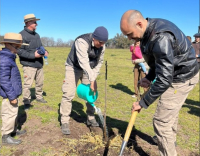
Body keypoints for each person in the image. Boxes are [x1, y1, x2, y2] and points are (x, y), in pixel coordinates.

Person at [120, 10, 199, 156]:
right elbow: (159, 62)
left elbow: (164, 79)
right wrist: (149, 77)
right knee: (168, 115)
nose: (130, 38)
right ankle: (170, 142)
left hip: (182, 77)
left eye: (130, 34)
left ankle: (168, 149)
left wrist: (142, 102)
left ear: (139, 24)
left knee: (161, 122)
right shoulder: (147, 32)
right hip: (174, 73)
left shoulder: (160, 37)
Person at [60, 26, 108, 135]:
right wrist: (92, 80)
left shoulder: (102, 46)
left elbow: (99, 63)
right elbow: (83, 62)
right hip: (73, 66)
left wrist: (93, 78)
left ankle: (90, 117)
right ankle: (65, 121)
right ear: (94, 38)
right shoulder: (81, 41)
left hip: (90, 69)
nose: (101, 45)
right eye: (100, 42)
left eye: (104, 43)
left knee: (91, 93)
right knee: (69, 93)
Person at [18, 14, 49, 110]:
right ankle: (26, 101)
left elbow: (41, 46)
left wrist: (45, 51)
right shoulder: (21, 35)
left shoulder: (37, 35)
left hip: (39, 64)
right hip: (28, 65)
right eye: (34, 22)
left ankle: (39, 96)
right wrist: (33, 55)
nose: (36, 24)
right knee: (28, 84)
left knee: (40, 82)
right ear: (28, 23)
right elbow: (19, 51)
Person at [0, 33, 27, 145]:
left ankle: (13, 130)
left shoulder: (9, 57)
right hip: (9, 95)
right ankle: (6, 136)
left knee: (14, 112)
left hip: (13, 93)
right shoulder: (4, 59)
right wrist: (11, 96)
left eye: (19, 47)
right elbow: (3, 80)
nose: (18, 49)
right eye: (16, 47)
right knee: (9, 114)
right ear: (7, 44)